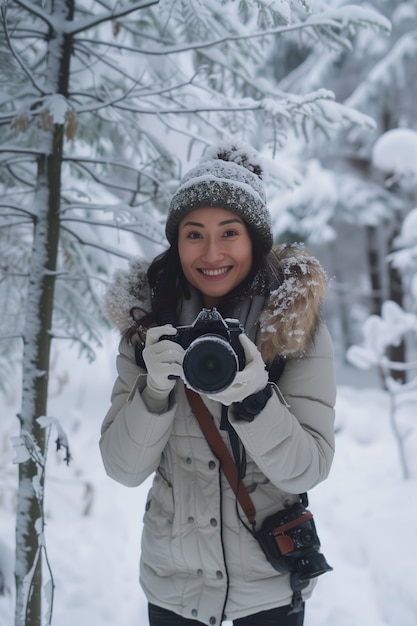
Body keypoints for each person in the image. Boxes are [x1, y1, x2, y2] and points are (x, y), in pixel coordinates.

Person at [99, 142, 336, 626]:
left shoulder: (292, 329)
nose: (211, 253)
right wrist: (155, 392)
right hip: (174, 582)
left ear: (254, 239)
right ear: (176, 241)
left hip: (266, 584)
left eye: (230, 232)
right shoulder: (146, 327)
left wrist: (254, 398)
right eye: (194, 234)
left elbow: (306, 470)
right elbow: (123, 470)